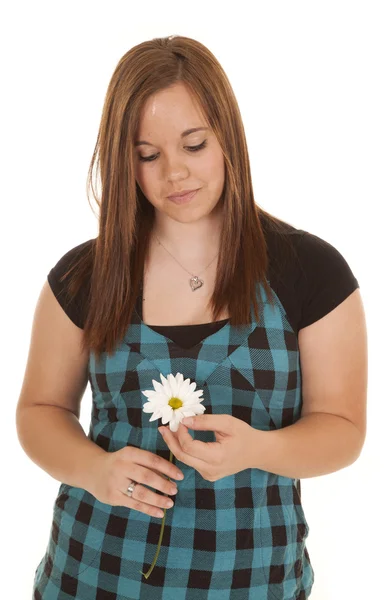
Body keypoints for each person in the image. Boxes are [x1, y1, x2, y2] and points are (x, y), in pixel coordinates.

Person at [16, 35, 368, 600]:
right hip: (92, 575)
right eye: (148, 155)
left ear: (228, 136)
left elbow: (343, 431)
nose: (174, 173)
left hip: (253, 582)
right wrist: (94, 471)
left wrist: (257, 450)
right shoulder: (85, 276)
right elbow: (40, 411)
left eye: (194, 145)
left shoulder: (311, 270)